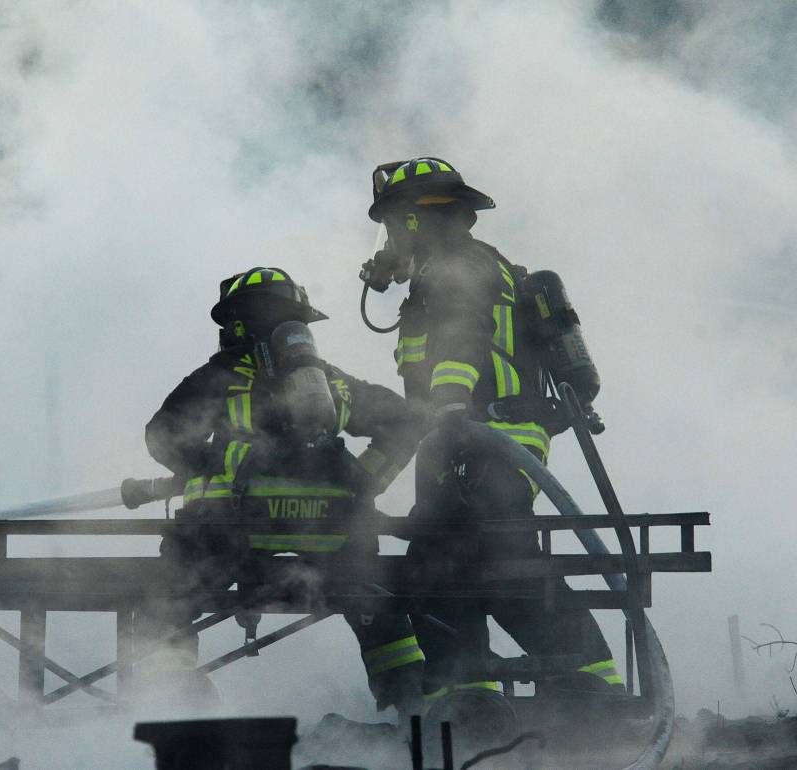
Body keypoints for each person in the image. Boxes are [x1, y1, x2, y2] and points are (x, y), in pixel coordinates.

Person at [364, 157, 623, 725]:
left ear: (413, 219)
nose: (388, 237)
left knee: (455, 565)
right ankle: (564, 685)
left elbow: (461, 335)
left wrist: (453, 411)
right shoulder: (481, 262)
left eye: (391, 225)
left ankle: (479, 696)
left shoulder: (454, 267)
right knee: (485, 563)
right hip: (490, 440)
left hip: (475, 440)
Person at [139, 266, 424, 718]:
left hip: (233, 532)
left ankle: (172, 707)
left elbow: (161, 435)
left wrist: (205, 465)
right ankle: (414, 714)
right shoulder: (332, 383)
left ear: (238, 323)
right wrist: (365, 482)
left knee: (166, 599)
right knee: (378, 608)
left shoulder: (221, 377)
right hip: (330, 537)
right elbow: (407, 421)